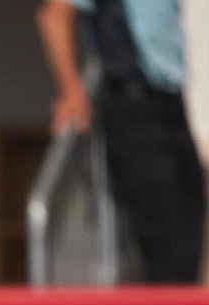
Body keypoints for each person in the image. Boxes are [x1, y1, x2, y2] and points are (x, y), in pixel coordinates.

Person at [36, 0, 206, 282]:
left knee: (190, 215)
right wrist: (70, 90)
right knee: (165, 235)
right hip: (132, 105)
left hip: (172, 104)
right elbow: (55, 13)